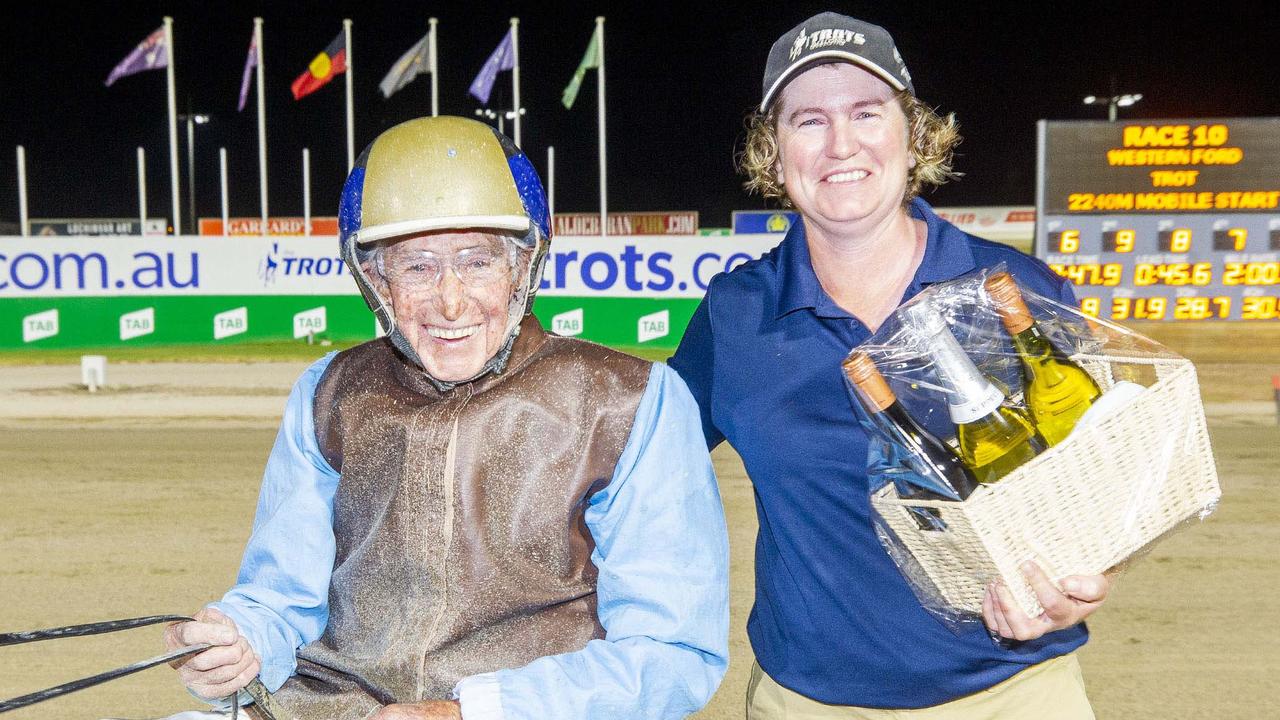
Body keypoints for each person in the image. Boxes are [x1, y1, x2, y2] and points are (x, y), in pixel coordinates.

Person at [164, 116, 729, 720]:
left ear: (522, 267)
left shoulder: (632, 400)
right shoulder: (327, 392)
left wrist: (474, 712)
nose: (450, 301)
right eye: (417, 267)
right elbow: (280, 598)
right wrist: (239, 641)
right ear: (375, 278)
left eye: (476, 261)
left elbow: (672, 655)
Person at [669, 12, 1110, 719]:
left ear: (915, 138)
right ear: (774, 155)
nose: (841, 143)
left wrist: (1087, 577)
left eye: (867, 113)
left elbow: (1108, 481)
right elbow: (631, 463)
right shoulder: (736, 315)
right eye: (808, 120)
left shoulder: (1015, 291)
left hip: (1015, 693)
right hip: (807, 702)